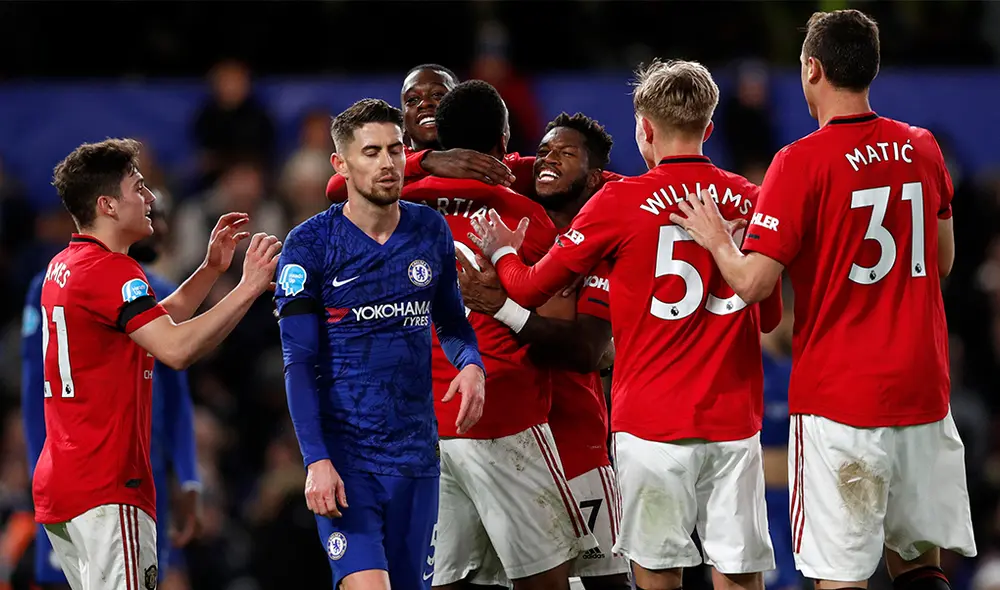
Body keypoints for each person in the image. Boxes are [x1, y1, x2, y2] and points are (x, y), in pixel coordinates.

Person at [668, 9, 976, 590]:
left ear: (812, 68)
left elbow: (756, 284)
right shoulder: (923, 147)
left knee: (840, 573)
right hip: (922, 389)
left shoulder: (800, 161)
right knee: (919, 564)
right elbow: (942, 262)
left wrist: (714, 239)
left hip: (841, 401)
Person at [470, 60, 781, 590]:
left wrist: (502, 252)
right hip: (733, 419)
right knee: (738, 577)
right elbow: (769, 312)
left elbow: (526, 288)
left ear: (644, 128)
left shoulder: (618, 202)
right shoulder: (752, 199)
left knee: (658, 575)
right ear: (709, 128)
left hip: (651, 425)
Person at [33, 138, 281, 590]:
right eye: (139, 187)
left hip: (65, 484)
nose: (150, 198)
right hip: (107, 485)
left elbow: (152, 324)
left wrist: (210, 268)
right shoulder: (113, 271)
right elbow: (175, 349)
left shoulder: (65, 265)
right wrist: (247, 288)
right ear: (108, 205)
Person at [274, 98, 486, 590]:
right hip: (346, 461)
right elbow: (298, 362)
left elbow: (451, 321)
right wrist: (316, 461)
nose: (387, 163)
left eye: (395, 149)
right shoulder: (309, 246)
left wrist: (471, 363)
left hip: (416, 457)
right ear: (340, 164)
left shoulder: (429, 229)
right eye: (371, 152)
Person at [400, 81, 597, 590]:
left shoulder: (395, 204)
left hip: (427, 421)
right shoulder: (524, 217)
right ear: (504, 138)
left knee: (448, 580)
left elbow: (339, 185)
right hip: (506, 415)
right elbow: (563, 333)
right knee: (547, 579)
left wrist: (418, 166)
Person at [455, 112, 628, 590]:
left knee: (605, 583)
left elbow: (587, 352)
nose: (548, 160)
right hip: (510, 445)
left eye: (565, 154)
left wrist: (501, 306)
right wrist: (433, 157)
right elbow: (348, 183)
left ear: (592, 177)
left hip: (576, 443)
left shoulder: (605, 243)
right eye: (545, 152)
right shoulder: (511, 206)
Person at [20, 206, 202, 590]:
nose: (161, 227)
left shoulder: (59, 273)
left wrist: (188, 475)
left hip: (120, 473)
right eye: (152, 212)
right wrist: (247, 286)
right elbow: (35, 387)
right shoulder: (92, 281)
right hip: (107, 474)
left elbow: (175, 396)